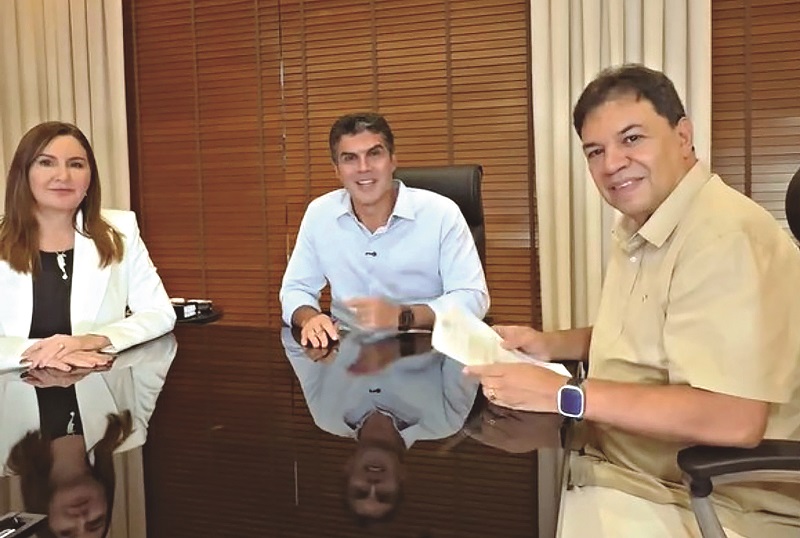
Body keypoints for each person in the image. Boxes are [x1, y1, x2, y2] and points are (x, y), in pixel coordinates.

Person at [465, 65, 800, 537]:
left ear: (683, 136)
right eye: (595, 151)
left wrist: (563, 396)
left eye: (632, 139)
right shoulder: (648, 225)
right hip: (627, 461)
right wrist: (547, 344)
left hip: (706, 497)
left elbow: (735, 418)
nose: (611, 164)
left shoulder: (722, 236)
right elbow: (654, 335)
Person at [280, 112, 489, 348]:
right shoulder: (320, 214)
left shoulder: (441, 213)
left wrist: (402, 316)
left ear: (393, 160)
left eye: (374, 154)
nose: (363, 168)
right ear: (336, 170)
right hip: (348, 357)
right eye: (349, 158)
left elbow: (473, 297)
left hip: (428, 352)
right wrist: (310, 317)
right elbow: (296, 288)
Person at [0, 121, 176, 372]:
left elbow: (159, 313)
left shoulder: (121, 230)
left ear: (90, 177)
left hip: (97, 387)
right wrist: (40, 353)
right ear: (23, 173)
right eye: (46, 162)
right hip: (13, 393)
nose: (63, 176)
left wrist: (92, 341)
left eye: (76, 164)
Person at [281, 327, 479, 522]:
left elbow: (293, 340)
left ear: (347, 469)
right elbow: (468, 338)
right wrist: (401, 347)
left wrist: (320, 331)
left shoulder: (325, 415)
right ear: (402, 477)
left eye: (360, 491)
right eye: (384, 495)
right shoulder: (446, 420)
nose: (373, 485)